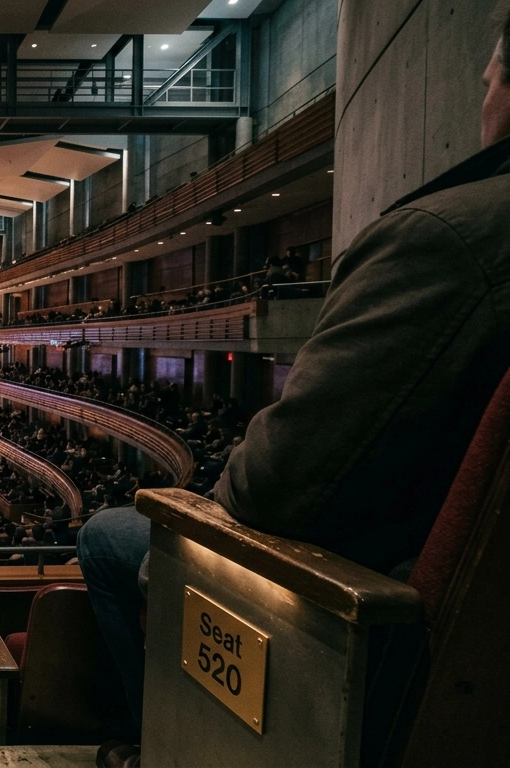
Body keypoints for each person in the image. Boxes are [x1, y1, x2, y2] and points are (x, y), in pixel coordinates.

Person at [78, 24, 510, 768]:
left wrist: (207, 510)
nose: (482, 98)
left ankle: (161, 747)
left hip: (366, 601)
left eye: (489, 81)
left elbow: (273, 488)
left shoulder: (451, 236)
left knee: (105, 534)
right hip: (468, 615)